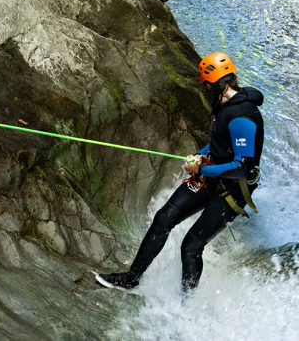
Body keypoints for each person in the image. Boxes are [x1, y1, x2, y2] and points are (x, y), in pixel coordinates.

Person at [97, 52, 264, 292]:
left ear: (214, 85)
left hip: (233, 190)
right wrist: (200, 154)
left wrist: (201, 167)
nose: (205, 90)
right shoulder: (228, 104)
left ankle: (187, 308)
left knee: (191, 246)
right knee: (164, 218)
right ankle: (131, 279)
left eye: (206, 86)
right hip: (212, 175)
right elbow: (219, 142)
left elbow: (241, 167)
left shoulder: (241, 117)